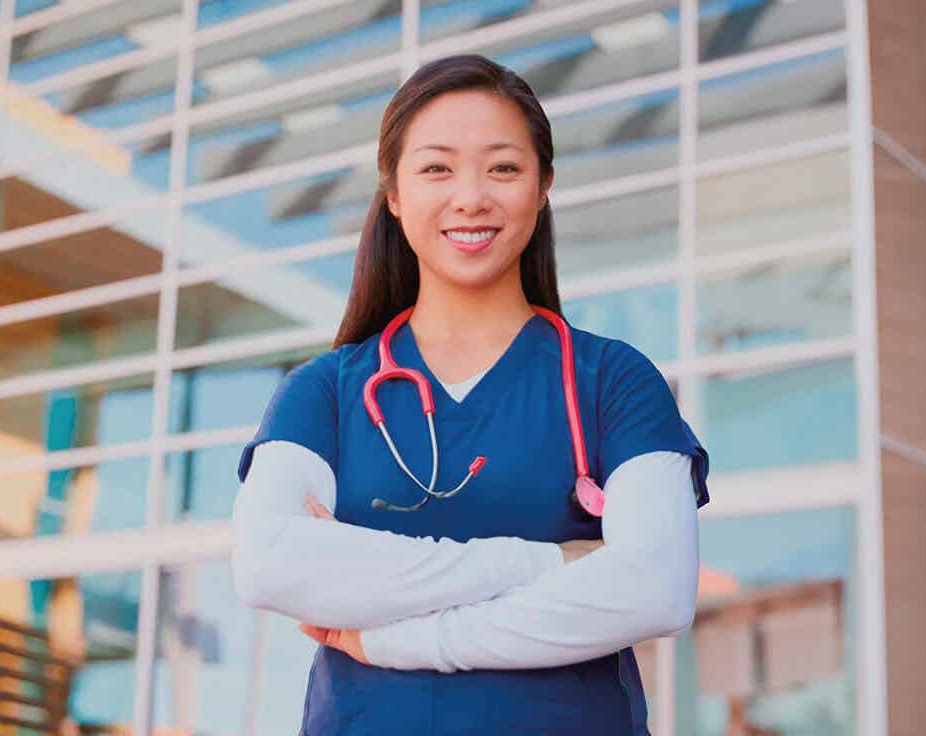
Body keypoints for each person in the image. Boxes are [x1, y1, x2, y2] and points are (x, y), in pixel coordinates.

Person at [230, 54, 710, 736]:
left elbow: (654, 590)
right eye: (436, 168)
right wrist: (544, 562)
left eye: (503, 168)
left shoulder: (614, 382)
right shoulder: (326, 393)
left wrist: (400, 638)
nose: (471, 197)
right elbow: (267, 567)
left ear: (543, 186)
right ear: (393, 193)